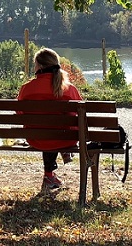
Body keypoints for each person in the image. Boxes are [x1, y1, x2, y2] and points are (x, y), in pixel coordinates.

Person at [16, 48, 83, 192]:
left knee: (46, 132)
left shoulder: (27, 89)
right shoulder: (69, 88)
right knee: (58, 130)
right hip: (66, 139)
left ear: (39, 66)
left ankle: (49, 175)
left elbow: (19, 112)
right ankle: (63, 155)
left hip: (36, 138)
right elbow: (81, 115)